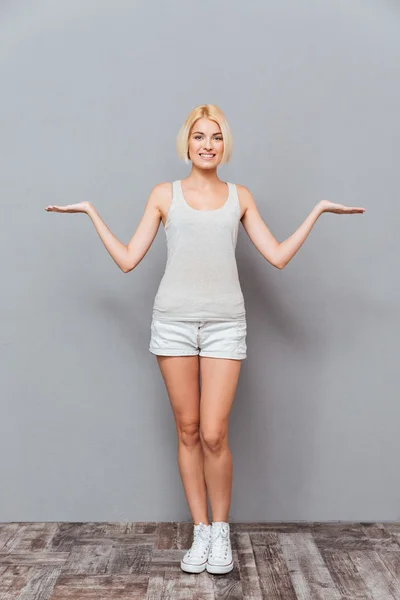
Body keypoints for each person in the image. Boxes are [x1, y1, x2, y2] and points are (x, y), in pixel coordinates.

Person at [45, 103, 366, 575]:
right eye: (200, 136)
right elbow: (129, 259)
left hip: (224, 325)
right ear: (187, 143)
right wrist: (92, 212)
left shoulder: (240, 197)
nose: (208, 144)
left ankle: (221, 532)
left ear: (224, 145)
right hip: (172, 324)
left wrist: (317, 210)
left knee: (215, 434)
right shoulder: (163, 195)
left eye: (216, 137)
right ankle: (200, 530)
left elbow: (276, 256)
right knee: (189, 430)